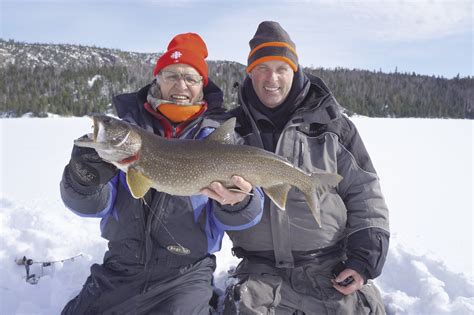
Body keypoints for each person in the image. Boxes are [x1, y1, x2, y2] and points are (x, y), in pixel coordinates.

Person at [60, 32, 263, 314]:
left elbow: (252, 212)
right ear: (157, 79)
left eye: (190, 78)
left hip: (186, 274)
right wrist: (82, 181)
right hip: (120, 268)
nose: (180, 85)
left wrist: (240, 201)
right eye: (171, 76)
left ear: (202, 86)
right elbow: (92, 206)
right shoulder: (128, 133)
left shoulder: (221, 138)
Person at [223, 21, 390, 314]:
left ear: (295, 71)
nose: (271, 78)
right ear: (250, 73)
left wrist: (363, 257)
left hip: (329, 267)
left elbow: (365, 191)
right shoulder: (231, 129)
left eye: (281, 68)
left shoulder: (333, 125)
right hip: (259, 273)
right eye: (262, 68)